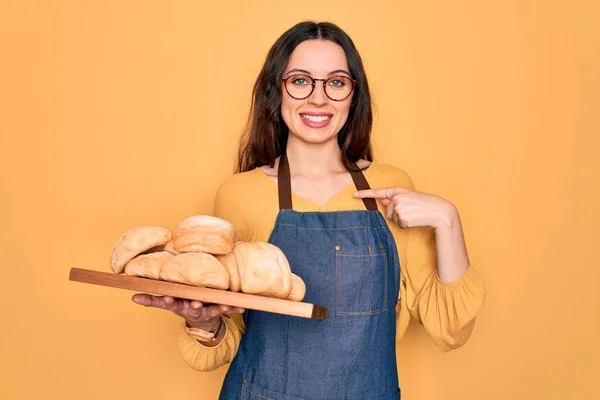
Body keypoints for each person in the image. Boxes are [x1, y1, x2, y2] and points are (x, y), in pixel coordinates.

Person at [132, 20, 487, 399]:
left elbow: (450, 327)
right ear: (276, 90)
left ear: (353, 95)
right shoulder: (241, 193)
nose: (318, 99)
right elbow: (229, 335)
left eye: (335, 82)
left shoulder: (390, 189)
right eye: (301, 80)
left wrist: (448, 219)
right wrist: (203, 321)